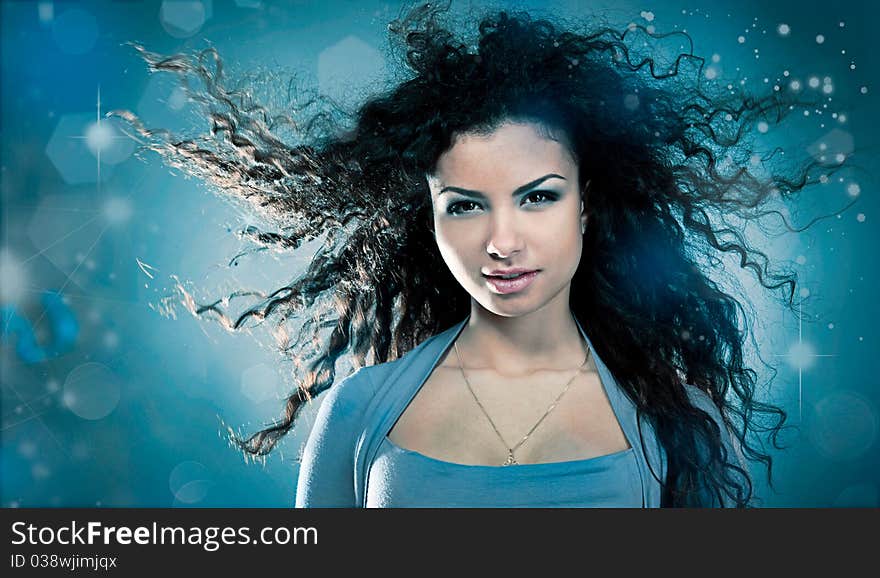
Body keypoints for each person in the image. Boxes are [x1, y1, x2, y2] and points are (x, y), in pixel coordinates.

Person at [113, 2, 854, 507]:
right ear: (428, 222)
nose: (502, 242)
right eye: (465, 205)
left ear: (589, 203)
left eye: (537, 197)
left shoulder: (678, 418)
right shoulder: (358, 416)